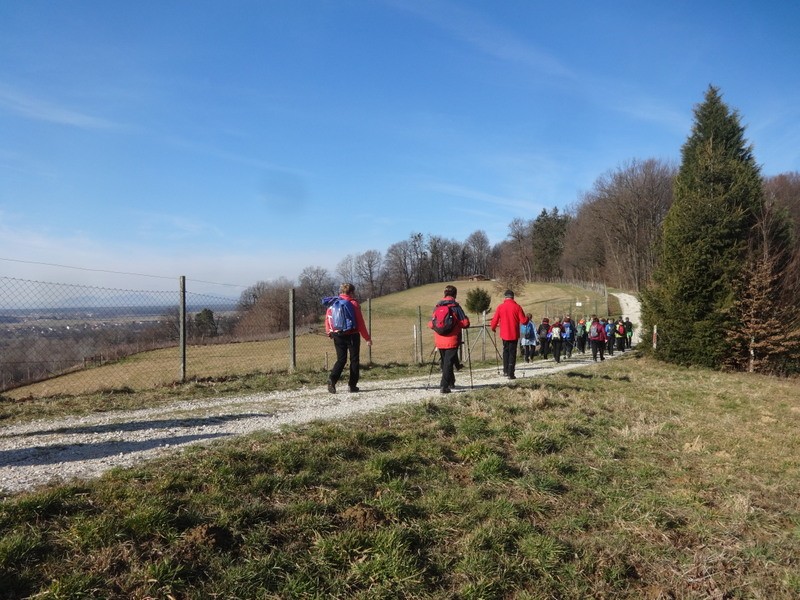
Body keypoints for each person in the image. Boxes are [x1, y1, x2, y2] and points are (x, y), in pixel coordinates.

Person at [325, 283, 372, 394]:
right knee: (354, 360)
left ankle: (332, 379)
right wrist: (367, 338)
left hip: (337, 334)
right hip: (352, 334)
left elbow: (327, 319)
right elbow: (360, 323)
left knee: (341, 359)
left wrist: (329, 332)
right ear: (351, 292)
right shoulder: (353, 304)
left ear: (341, 292)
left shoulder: (333, 303)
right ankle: (352, 385)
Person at [428, 285, 470, 394]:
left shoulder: (437, 306)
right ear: (455, 294)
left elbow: (431, 324)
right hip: (452, 339)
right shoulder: (455, 307)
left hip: (439, 339)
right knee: (448, 363)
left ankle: (451, 381)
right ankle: (444, 386)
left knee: (446, 361)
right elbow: (465, 323)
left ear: (444, 294)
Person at [490, 289, 528, 379]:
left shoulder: (500, 307)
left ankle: (505, 370)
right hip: (514, 333)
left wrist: (493, 327)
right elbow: (523, 321)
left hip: (504, 334)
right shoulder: (517, 307)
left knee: (505, 351)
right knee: (512, 352)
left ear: (505, 297)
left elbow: (494, 320)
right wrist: (527, 319)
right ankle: (511, 373)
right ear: (513, 297)